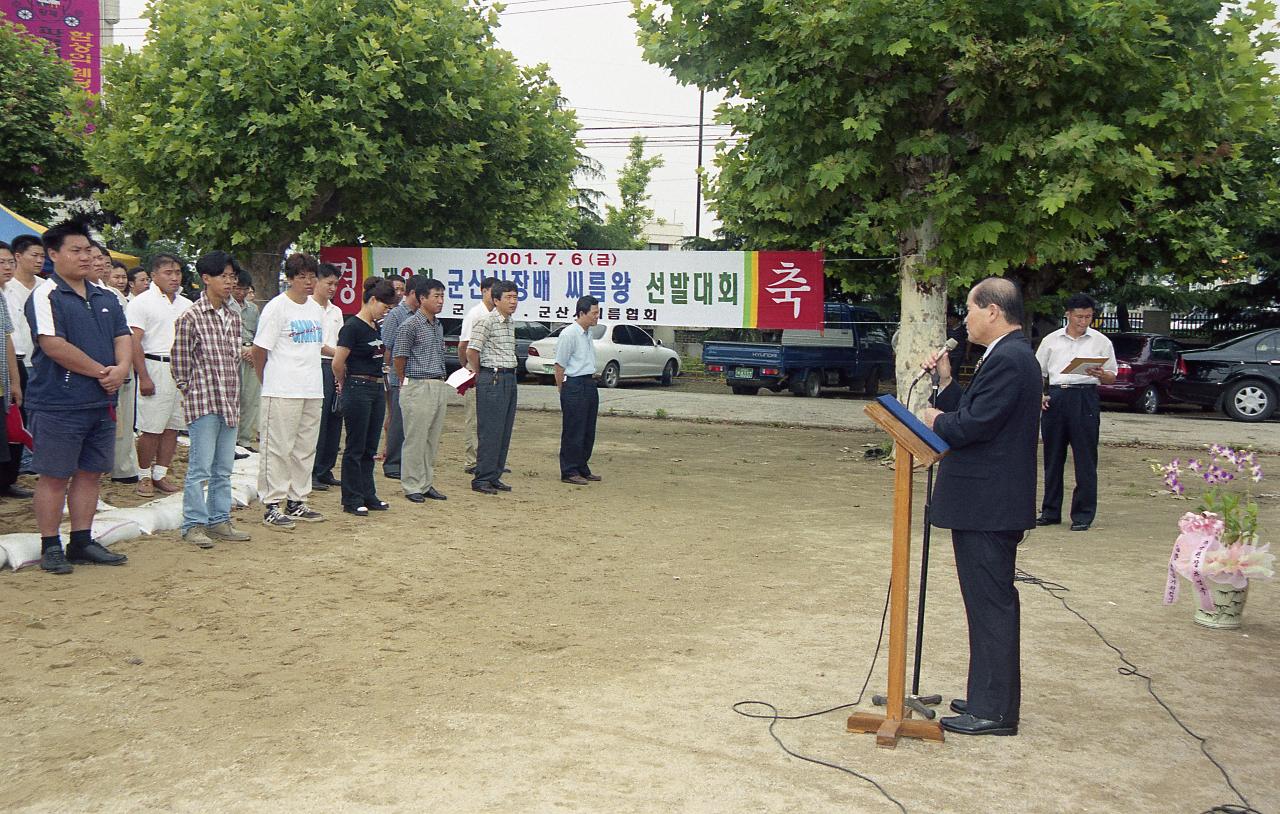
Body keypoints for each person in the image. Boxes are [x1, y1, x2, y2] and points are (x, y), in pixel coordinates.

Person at [922, 277, 1041, 737]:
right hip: (984, 501)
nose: (964, 319)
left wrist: (936, 419)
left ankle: (994, 711)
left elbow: (974, 426)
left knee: (991, 605)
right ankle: (986, 696)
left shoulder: (1011, 358)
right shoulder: (1002, 356)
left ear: (992, 311)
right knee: (984, 602)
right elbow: (976, 410)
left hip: (990, 503)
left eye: (969, 309)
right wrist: (946, 382)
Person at [24, 220, 132, 574]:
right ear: (53, 255)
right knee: (55, 475)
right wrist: (103, 372)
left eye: (89, 250)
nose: (85, 257)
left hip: (101, 401)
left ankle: (82, 540)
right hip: (60, 401)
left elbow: (123, 335)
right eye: (76, 250)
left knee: (90, 473)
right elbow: (52, 344)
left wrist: (120, 368)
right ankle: (50, 544)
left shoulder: (105, 295)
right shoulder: (45, 295)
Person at [171, 251, 252, 548]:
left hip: (229, 401)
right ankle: (194, 524)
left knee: (223, 468)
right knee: (200, 468)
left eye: (233, 277)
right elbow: (179, 365)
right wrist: (192, 391)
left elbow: (233, 360)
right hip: (204, 402)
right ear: (206, 279)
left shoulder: (233, 315)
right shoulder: (190, 317)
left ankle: (219, 519)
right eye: (224, 276)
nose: (230, 282)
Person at [253, 253, 326, 530]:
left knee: (305, 448)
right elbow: (260, 350)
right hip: (282, 388)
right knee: (278, 448)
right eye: (302, 277)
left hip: (311, 387)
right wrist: (267, 381)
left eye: (311, 276)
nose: (308, 282)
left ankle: (297, 500)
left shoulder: (315, 309)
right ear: (290, 279)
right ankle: (272, 503)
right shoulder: (277, 308)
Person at [1035, 293, 1118, 532]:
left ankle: (1082, 514)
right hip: (1057, 396)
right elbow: (1037, 372)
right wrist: (1040, 395)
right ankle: (1050, 510)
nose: (1084, 321)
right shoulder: (1051, 340)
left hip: (1085, 396)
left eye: (1088, 317)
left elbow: (1112, 375)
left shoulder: (1100, 341)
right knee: (1052, 456)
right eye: (1079, 316)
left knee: (1085, 457)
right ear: (1068, 315)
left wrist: (1103, 375)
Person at [128, 253, 193, 496]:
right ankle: (144, 474)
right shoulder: (141, 303)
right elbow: (134, 341)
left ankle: (161, 473)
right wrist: (143, 376)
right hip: (154, 365)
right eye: (168, 273)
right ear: (154, 275)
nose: (174, 278)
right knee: (151, 426)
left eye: (177, 272)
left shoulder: (187, 305)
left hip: (181, 368)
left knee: (173, 425)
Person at [333, 278, 398, 516]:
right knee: (355, 445)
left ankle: (368, 493)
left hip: (376, 388)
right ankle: (351, 498)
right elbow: (338, 362)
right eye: (385, 306)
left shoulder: (375, 327)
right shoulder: (352, 327)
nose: (386, 311)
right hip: (358, 387)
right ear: (372, 300)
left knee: (370, 446)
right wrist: (345, 383)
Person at [394, 277, 450, 503]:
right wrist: (405, 381)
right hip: (418, 384)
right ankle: (411, 485)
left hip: (438, 383)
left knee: (432, 438)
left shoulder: (438, 324)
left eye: (442, 296)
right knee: (415, 438)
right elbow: (400, 357)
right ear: (422, 298)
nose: (440, 300)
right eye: (436, 296)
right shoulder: (410, 325)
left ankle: (426, 483)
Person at [90, 245, 141, 484]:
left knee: (122, 420)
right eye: (95, 258)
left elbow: (125, 334)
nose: (100, 263)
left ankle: (122, 467)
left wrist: (124, 365)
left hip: (119, 365)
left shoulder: (113, 295)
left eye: (104, 260)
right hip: (92, 367)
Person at [466, 279, 519, 495]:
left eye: (515, 297)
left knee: (504, 430)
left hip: (509, 377)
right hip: (492, 377)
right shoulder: (486, 321)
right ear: (496, 300)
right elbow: (472, 351)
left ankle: (495, 475)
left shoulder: (511, 322)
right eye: (508, 297)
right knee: (490, 430)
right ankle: (482, 478)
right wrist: (482, 374)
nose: (513, 302)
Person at [555, 295, 602, 485]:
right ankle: (569, 470)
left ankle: (582, 466)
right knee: (573, 429)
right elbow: (559, 365)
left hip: (589, 383)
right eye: (594, 313)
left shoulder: (588, 332)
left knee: (588, 429)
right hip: (574, 384)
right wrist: (563, 390)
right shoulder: (569, 334)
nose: (597, 317)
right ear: (581, 313)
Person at [379, 276, 422, 480]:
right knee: (397, 421)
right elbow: (387, 346)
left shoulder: (422, 315)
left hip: (416, 377)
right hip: (397, 376)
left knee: (412, 422)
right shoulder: (396, 315)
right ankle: (393, 463)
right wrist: (388, 373)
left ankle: (407, 461)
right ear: (413, 293)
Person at [311, 263, 345, 491]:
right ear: (316, 281)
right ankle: (312, 471)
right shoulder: (308, 309)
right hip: (316, 366)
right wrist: (340, 354)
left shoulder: (336, 311)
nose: (333, 288)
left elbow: (341, 341)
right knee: (318, 422)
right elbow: (317, 345)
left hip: (335, 366)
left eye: (336, 284)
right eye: (329, 283)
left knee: (335, 418)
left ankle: (325, 469)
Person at [457, 276, 495, 474]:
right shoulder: (475, 313)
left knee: (490, 419)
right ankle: (471, 460)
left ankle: (488, 458)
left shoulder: (497, 314)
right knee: (473, 418)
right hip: (475, 372)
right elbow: (464, 345)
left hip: (492, 373)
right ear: (483, 290)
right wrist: (469, 369)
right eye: (492, 291)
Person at [0, 242, 28, 500]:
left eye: (10, 262)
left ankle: (7, 481)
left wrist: (15, 382)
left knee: (11, 431)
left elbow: (7, 339)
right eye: (1, 262)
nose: (7, 267)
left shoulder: (2, 297)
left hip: (8, 374)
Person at [232, 272, 260, 450]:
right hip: (233, 352)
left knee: (251, 398)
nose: (241, 292)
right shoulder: (227, 307)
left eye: (244, 289)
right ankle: (232, 439)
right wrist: (240, 349)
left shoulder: (253, 309)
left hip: (251, 354)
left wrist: (254, 351)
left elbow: (259, 333)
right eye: (238, 288)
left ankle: (246, 439)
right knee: (233, 397)